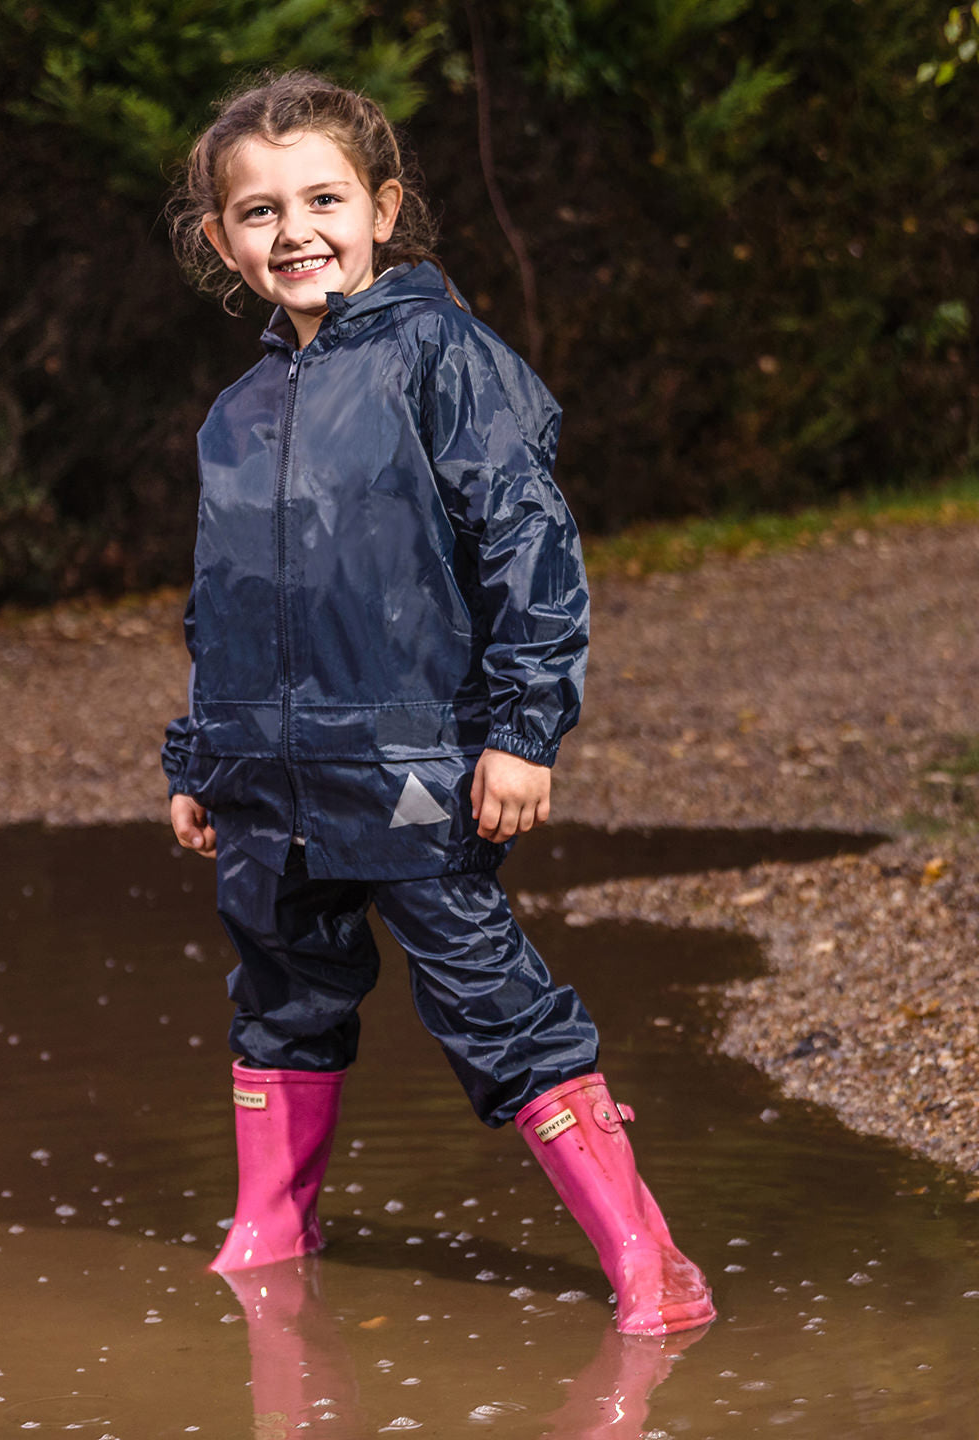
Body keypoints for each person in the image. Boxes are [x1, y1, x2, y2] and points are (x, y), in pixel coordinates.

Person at [161, 70, 714, 1337]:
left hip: (413, 758)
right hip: (265, 772)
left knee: (487, 990)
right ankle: (273, 1228)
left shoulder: (442, 356)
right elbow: (223, 601)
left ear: (383, 206)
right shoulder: (235, 416)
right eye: (259, 212)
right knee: (282, 989)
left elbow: (531, 546)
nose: (293, 229)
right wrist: (198, 758)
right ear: (220, 242)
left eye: (323, 198)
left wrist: (524, 732)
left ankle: (649, 1258)